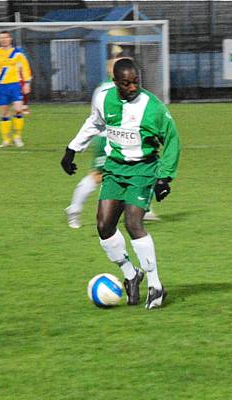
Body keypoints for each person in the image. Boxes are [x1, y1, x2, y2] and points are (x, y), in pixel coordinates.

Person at [60, 58, 180, 309]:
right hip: (114, 169)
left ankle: (156, 286)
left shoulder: (153, 107)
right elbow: (94, 123)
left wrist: (165, 177)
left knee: (133, 223)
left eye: (136, 82)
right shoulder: (104, 98)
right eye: (126, 83)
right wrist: (72, 149)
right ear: (115, 83)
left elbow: (171, 139)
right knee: (104, 226)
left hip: (143, 169)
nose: (132, 87)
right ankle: (130, 274)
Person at [65, 61, 159, 229]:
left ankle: (143, 207)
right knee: (98, 176)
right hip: (107, 138)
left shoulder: (127, 89)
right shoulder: (104, 91)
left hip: (126, 139)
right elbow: (95, 118)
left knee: (135, 168)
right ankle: (74, 209)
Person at [0, 31, 32, 147]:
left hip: (15, 85)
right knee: (4, 113)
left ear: (10, 39)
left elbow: (25, 68)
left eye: (5, 37)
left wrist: (27, 83)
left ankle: (17, 137)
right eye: (1, 38)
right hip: (2, 86)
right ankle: (6, 140)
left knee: (18, 110)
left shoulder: (18, 53)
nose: (3, 40)